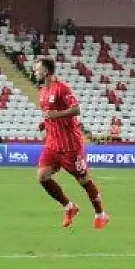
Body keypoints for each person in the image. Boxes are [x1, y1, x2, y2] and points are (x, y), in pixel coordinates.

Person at [33, 59, 109, 228]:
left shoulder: (62, 88)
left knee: (84, 181)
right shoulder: (43, 91)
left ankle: (101, 213)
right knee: (42, 177)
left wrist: (55, 115)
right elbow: (49, 114)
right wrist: (44, 123)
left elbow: (76, 109)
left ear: (46, 71)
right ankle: (69, 207)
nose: (34, 72)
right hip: (53, 144)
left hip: (70, 147)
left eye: (37, 70)